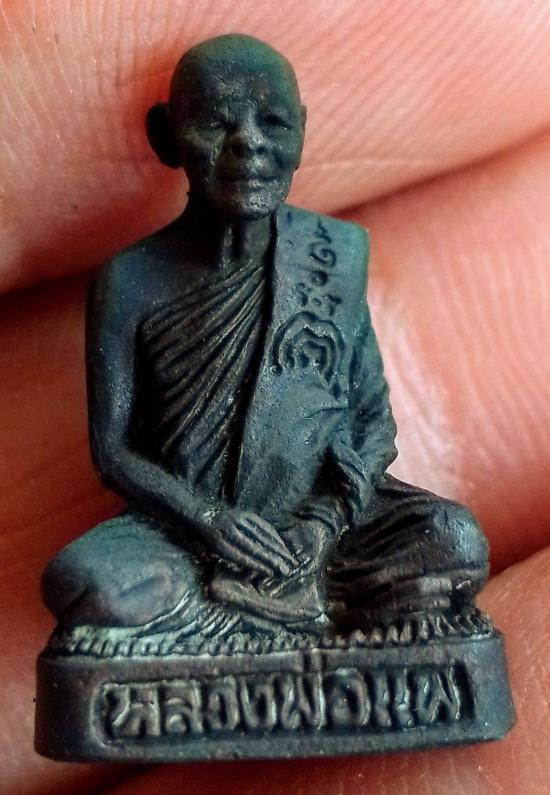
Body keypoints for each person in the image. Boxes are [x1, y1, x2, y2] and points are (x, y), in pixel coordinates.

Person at [40, 34, 487, 637]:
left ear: (301, 131)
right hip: (185, 528)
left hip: (319, 528)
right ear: (166, 137)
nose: (248, 142)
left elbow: (371, 423)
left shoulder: (327, 260)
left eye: (273, 122)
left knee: (454, 539)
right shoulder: (130, 279)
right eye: (215, 123)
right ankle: (250, 611)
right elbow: (114, 454)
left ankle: (242, 617)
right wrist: (209, 521)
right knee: (85, 582)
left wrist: (323, 524)